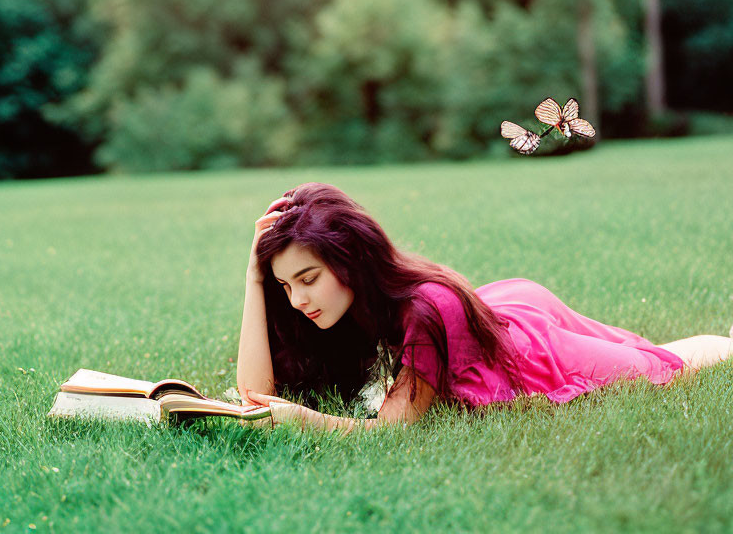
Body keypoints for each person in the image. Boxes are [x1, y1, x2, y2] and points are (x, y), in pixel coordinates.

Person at [236, 183, 733, 434]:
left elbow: (390, 433)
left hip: (525, 351)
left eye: (308, 279)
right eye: (284, 285)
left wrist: (303, 419)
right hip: (493, 311)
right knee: (639, 348)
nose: (297, 300)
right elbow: (255, 395)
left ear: (352, 259)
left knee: (665, 362)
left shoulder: (426, 310)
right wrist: (253, 280)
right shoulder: (343, 306)